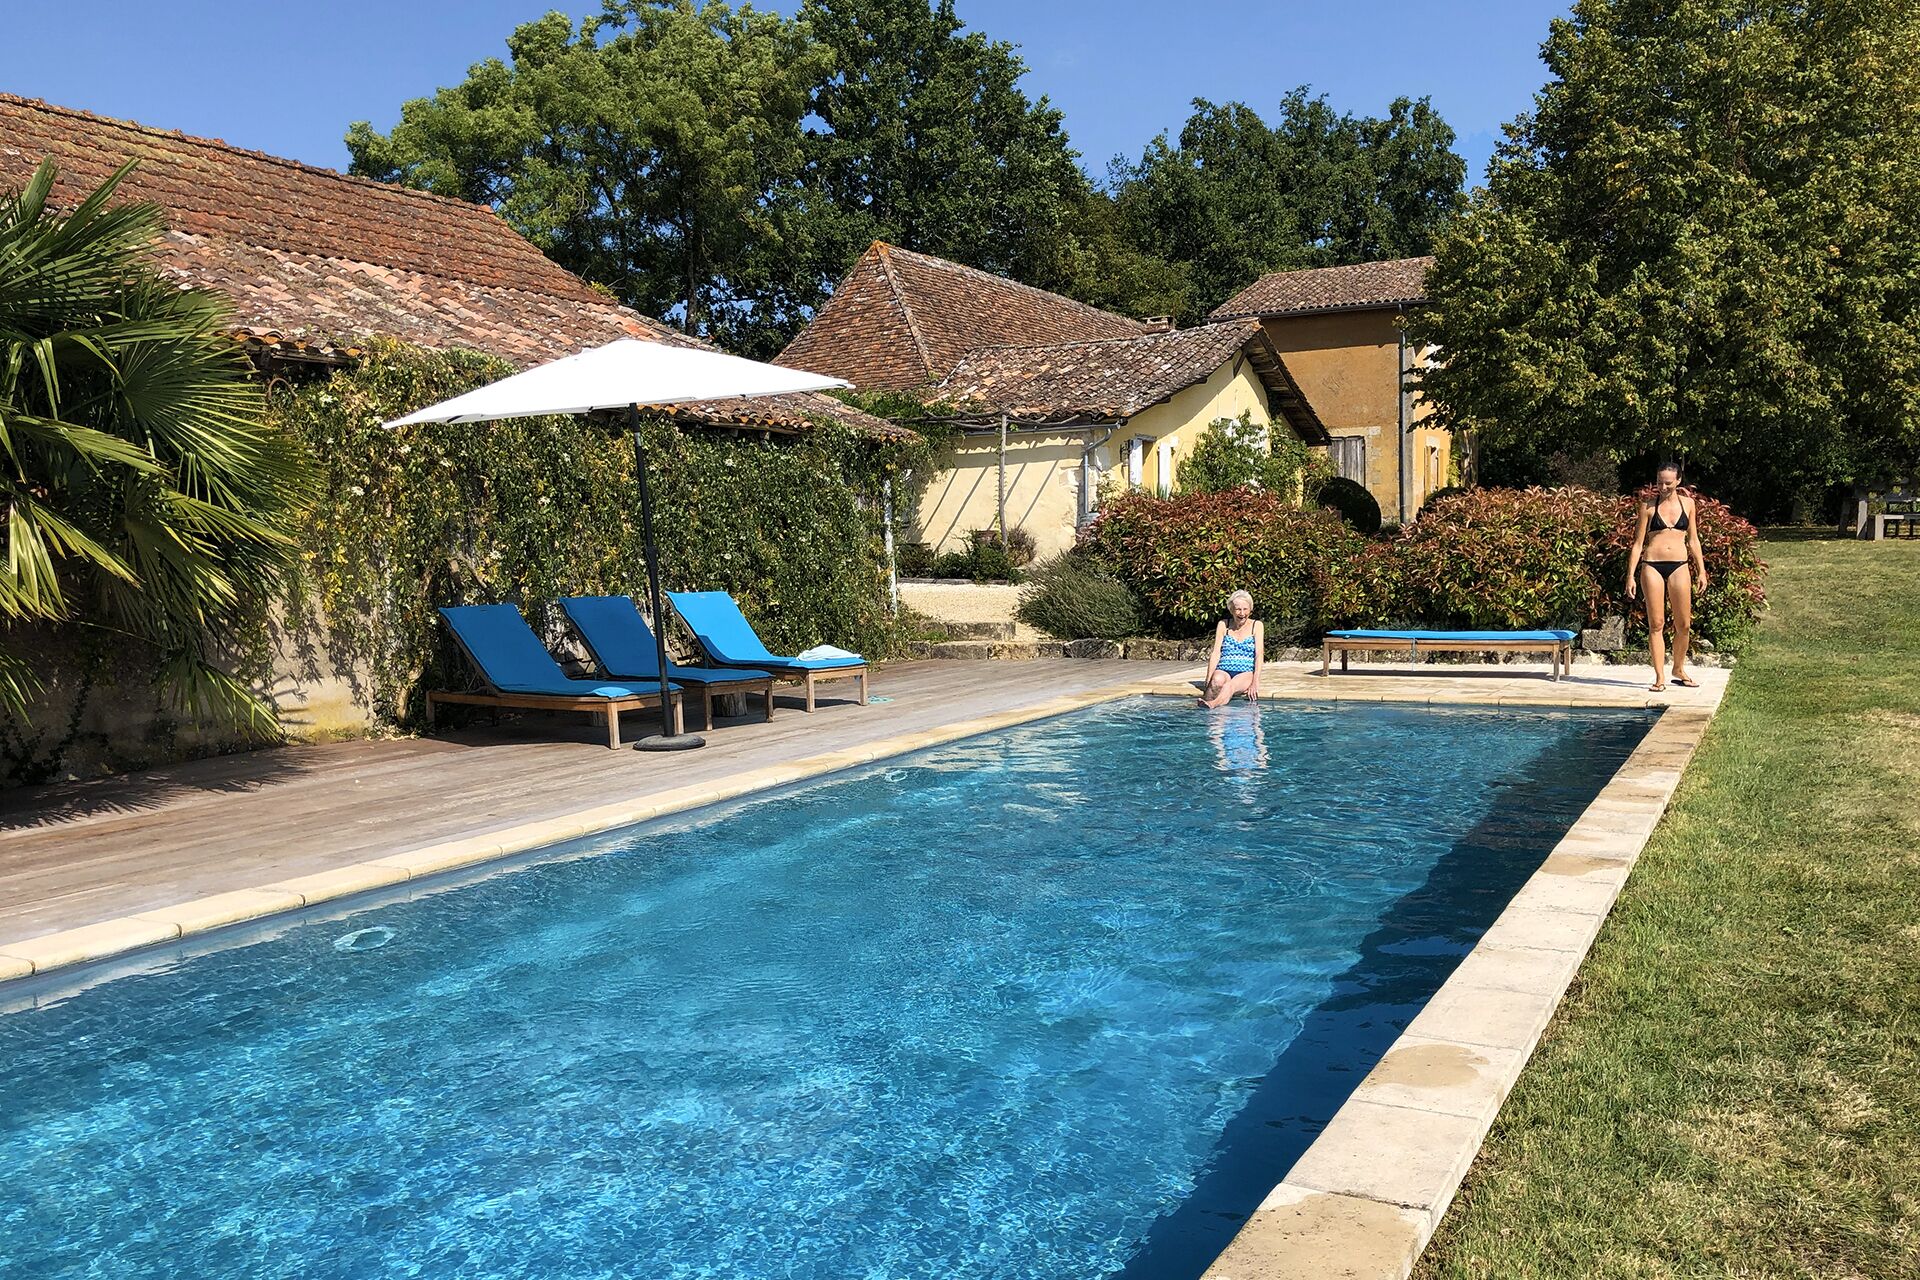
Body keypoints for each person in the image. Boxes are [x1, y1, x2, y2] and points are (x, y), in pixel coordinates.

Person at [1625, 461, 1709, 691]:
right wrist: (1630, 576)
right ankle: (1659, 676)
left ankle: (1678, 668)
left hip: (1680, 565)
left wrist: (1701, 570)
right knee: (1657, 623)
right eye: (1660, 482)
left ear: (1678, 481)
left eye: (1668, 483)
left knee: (1683, 624)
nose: (1663, 487)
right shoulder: (1648, 507)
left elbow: (1693, 539)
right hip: (1652, 565)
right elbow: (1637, 544)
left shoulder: (1689, 504)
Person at [1198, 590, 1263, 708]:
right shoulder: (1224, 624)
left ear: (1250, 610)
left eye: (1245, 609)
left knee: (1229, 686)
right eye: (1238, 609)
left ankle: (1212, 704)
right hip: (1224, 669)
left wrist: (1255, 682)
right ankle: (1204, 712)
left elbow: (1259, 655)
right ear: (1231, 610)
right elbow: (1216, 652)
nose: (1242, 613)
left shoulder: (1256, 626)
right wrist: (1208, 678)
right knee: (1216, 681)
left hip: (1245, 672)